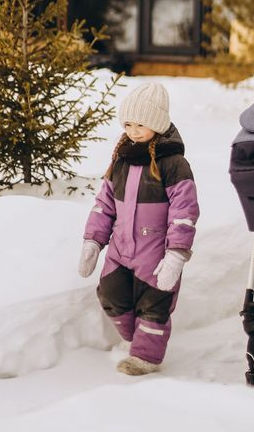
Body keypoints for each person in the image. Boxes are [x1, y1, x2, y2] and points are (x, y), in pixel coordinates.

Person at [77, 82, 199, 375]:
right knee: (109, 294)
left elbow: (184, 212)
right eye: (128, 123)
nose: (133, 130)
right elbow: (104, 205)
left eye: (141, 124)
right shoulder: (121, 158)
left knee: (154, 307)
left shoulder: (173, 164)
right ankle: (134, 340)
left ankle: (145, 358)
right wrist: (93, 242)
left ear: (157, 123)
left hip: (155, 254)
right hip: (120, 251)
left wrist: (176, 254)